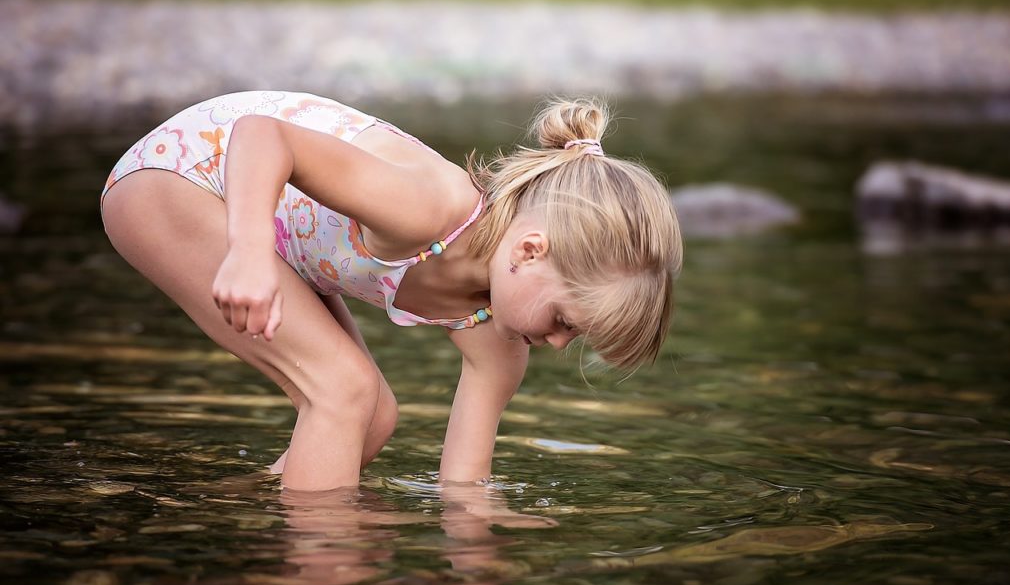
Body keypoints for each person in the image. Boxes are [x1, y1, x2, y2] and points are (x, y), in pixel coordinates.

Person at [99, 91, 683, 491]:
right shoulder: (429, 207)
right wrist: (248, 253)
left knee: (372, 418)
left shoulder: (499, 345)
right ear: (530, 251)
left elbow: (462, 487)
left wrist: (480, 568)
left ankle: (238, 516)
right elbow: (262, 136)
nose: (557, 343)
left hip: (267, 229)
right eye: (565, 321)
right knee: (343, 390)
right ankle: (317, 580)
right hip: (185, 178)